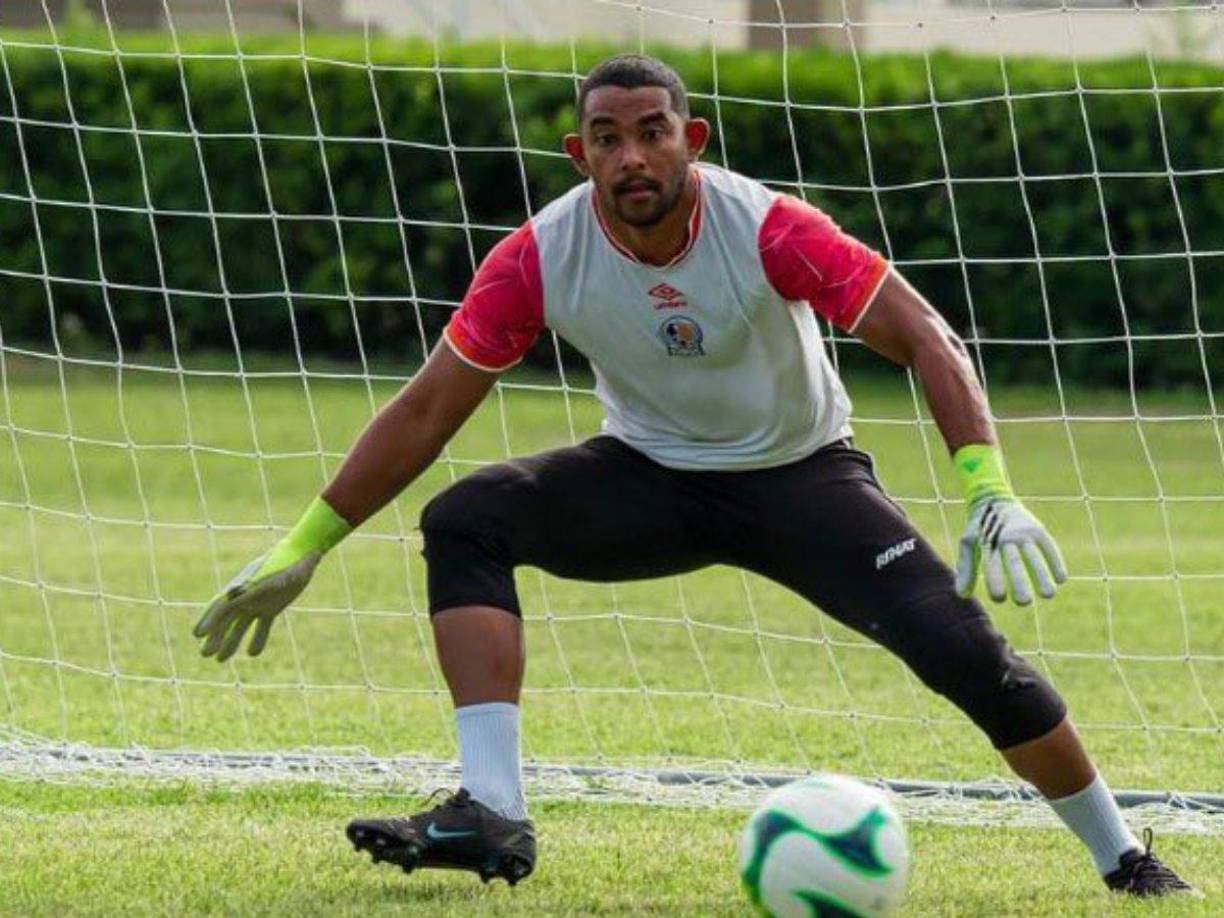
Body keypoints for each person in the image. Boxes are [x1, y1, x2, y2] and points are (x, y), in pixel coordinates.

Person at [193, 55, 1195, 896]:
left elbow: (924, 336)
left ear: (693, 139)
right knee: (469, 520)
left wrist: (988, 484)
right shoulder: (539, 256)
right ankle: (491, 814)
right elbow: (425, 408)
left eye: (653, 131)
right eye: (608, 137)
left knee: (964, 652)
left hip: (805, 478)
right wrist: (304, 547)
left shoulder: (770, 229)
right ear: (577, 153)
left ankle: (1126, 860)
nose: (632, 155)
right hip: (653, 477)